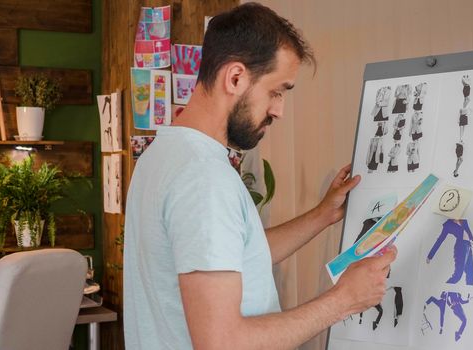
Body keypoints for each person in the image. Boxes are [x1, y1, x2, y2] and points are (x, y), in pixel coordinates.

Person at [123, 4, 397, 349]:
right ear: (235, 78)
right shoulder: (203, 178)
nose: (279, 110)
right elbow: (221, 343)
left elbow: (234, 254)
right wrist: (343, 300)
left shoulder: (162, 153)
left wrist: (322, 215)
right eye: (276, 91)